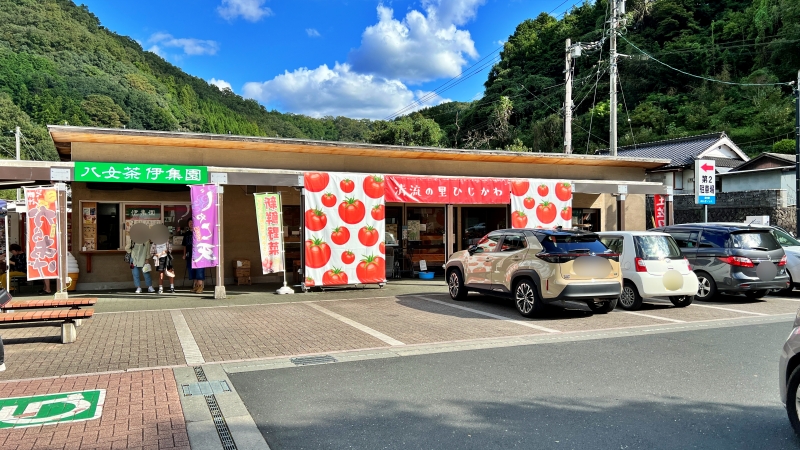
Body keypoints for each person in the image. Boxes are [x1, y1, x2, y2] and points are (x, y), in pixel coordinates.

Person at [182, 219, 205, 294]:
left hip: (199, 255)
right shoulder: (186, 234)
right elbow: (184, 245)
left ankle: (200, 287)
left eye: (192, 222)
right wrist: (184, 254)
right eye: (190, 222)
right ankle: (196, 287)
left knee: (199, 270)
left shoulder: (198, 232)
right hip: (189, 254)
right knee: (192, 271)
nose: (191, 223)